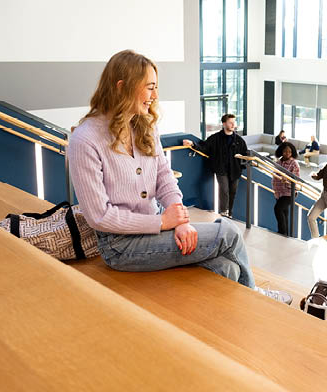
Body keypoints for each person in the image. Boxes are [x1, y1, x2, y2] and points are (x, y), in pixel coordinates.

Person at [68, 50, 290, 305]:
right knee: (228, 233)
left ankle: (218, 314)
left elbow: (164, 177)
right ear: (122, 87)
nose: (154, 96)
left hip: (157, 227)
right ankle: (257, 301)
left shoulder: (144, 125)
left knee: (228, 269)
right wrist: (163, 223)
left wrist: (180, 221)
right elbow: (99, 216)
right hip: (121, 246)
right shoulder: (85, 140)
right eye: (149, 88)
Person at [182, 114, 248, 218]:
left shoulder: (240, 140)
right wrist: (192, 144)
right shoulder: (215, 138)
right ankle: (224, 212)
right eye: (230, 122)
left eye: (234, 122)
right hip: (221, 169)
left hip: (235, 170)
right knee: (224, 190)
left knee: (233, 192)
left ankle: (229, 213)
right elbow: (204, 147)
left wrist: (243, 162)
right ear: (224, 123)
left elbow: (245, 154)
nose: (233, 125)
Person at [272, 141, 300, 236]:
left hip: (289, 193)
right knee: (284, 213)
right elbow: (275, 176)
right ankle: (286, 235)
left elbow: (295, 182)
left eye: (289, 152)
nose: (287, 153)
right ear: (281, 151)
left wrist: (287, 181)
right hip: (279, 193)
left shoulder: (294, 164)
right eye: (285, 151)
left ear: (292, 153)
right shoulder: (278, 162)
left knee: (278, 209)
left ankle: (282, 232)